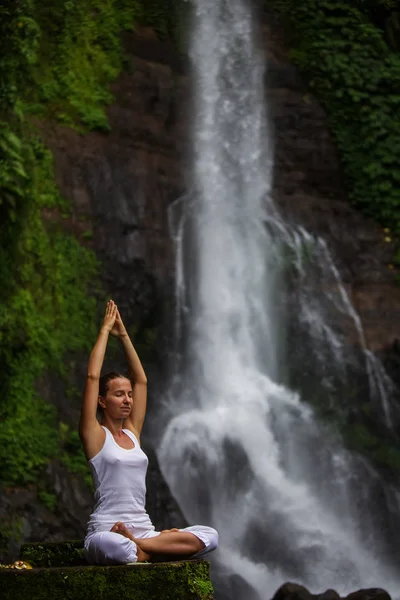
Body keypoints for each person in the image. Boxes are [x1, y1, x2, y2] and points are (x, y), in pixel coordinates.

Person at [79, 299, 219, 565]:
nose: (128, 400)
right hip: (108, 530)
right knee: (115, 547)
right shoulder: (95, 436)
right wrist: (106, 331)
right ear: (101, 401)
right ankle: (152, 547)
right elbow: (92, 378)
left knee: (210, 536)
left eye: (129, 395)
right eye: (119, 394)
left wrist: (124, 335)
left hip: (143, 529)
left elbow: (141, 379)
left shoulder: (132, 433)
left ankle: (141, 545)